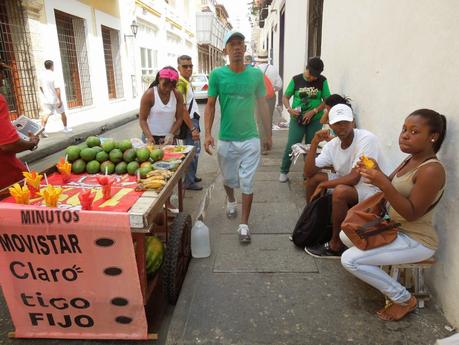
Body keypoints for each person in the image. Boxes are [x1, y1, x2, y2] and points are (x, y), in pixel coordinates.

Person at [341, 109, 447, 321]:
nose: (405, 135)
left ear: (432, 137)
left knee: (350, 260)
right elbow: (389, 188)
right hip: (393, 229)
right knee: (346, 235)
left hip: (416, 239)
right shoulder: (410, 159)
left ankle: (404, 299)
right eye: (404, 129)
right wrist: (376, 173)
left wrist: (381, 181)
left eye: (414, 131)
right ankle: (375, 272)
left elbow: (412, 213)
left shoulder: (431, 170)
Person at [204, 31, 272, 244]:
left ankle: (244, 225)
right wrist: (207, 134)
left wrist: (267, 134)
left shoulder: (255, 75)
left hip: (250, 138)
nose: (236, 48)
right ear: (225, 50)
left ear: (245, 48)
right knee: (228, 178)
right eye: (231, 44)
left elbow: (262, 104)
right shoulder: (217, 75)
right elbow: (210, 105)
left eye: (240, 43)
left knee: (247, 181)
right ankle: (231, 200)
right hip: (226, 138)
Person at [303, 104, 385, 258]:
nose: (342, 127)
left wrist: (324, 185)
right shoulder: (332, 145)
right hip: (352, 184)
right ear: (330, 125)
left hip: (372, 189)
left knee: (340, 191)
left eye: (346, 122)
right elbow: (308, 172)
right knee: (315, 179)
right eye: (337, 123)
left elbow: (355, 178)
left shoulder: (367, 139)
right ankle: (310, 224)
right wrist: (314, 143)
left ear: (353, 122)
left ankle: (336, 244)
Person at [279, 57, 331, 182]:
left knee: (311, 146)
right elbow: (285, 97)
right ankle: (284, 171)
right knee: (292, 144)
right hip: (297, 119)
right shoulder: (296, 79)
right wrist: (289, 109)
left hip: (315, 120)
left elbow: (326, 101)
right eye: (311, 75)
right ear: (306, 69)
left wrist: (314, 111)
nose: (313, 78)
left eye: (315, 76)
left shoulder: (322, 81)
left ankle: (308, 173)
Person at [0, 61, 40, 190]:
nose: (3, 77)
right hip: (7, 177)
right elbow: (8, 145)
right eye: (1, 72)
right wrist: (31, 143)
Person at [176, 55, 202, 191]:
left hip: (193, 120)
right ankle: (189, 182)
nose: (188, 68)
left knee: (195, 150)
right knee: (193, 151)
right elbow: (182, 108)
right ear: (178, 68)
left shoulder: (186, 82)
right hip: (190, 122)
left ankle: (192, 176)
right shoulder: (180, 83)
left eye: (190, 66)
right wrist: (192, 128)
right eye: (185, 66)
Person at [139, 66, 183, 145]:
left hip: (169, 138)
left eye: (172, 86)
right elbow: (142, 120)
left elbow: (179, 119)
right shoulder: (149, 95)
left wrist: (171, 134)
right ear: (159, 79)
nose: (167, 89)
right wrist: (149, 137)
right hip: (150, 137)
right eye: (165, 85)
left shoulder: (177, 95)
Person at [255, 49, 282, 154]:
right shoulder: (273, 69)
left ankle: (264, 146)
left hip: (258, 98)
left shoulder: (254, 70)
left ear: (258, 59)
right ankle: (269, 142)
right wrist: (271, 89)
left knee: (260, 121)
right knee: (269, 119)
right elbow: (279, 85)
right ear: (267, 58)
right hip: (270, 98)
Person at [39, 60, 71, 137]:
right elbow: (57, 89)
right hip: (54, 99)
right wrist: (59, 99)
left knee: (46, 114)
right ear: (52, 65)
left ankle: (42, 129)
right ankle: (65, 128)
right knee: (62, 113)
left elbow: (41, 87)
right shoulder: (54, 75)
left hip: (46, 99)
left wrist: (45, 94)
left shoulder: (42, 76)